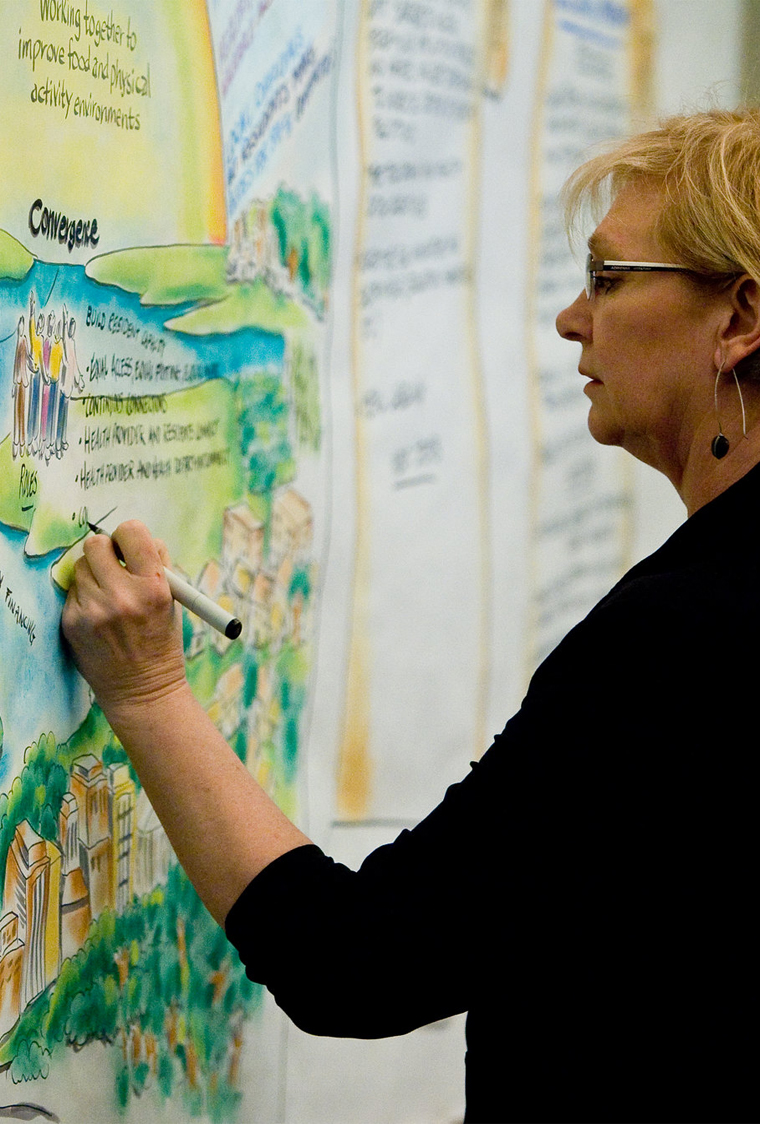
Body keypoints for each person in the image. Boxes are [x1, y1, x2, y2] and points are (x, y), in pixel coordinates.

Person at [62, 108, 760, 1123]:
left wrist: (150, 690)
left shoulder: (680, 643)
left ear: (738, 318)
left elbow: (357, 960)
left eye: (607, 279)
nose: (573, 318)